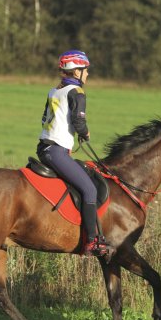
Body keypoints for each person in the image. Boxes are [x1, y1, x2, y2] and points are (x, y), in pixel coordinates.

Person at [37, 50, 106, 256]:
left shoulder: (53, 91)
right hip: (56, 151)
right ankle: (92, 241)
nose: (87, 75)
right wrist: (85, 133)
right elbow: (78, 120)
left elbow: (44, 120)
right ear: (76, 72)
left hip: (45, 148)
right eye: (86, 71)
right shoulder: (77, 93)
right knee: (90, 190)